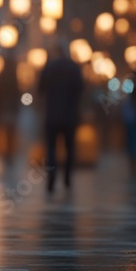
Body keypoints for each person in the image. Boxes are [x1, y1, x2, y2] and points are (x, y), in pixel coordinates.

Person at [37, 44, 84, 192]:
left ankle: (51, 177)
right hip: (69, 115)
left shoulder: (50, 68)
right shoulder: (74, 68)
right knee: (70, 148)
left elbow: (40, 89)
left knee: (51, 149)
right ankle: (67, 178)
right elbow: (81, 89)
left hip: (52, 115)